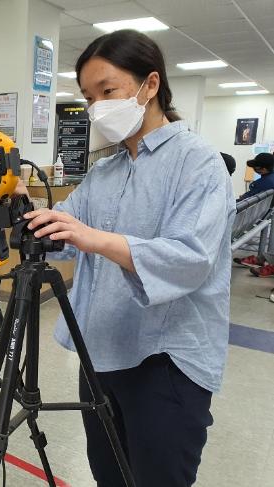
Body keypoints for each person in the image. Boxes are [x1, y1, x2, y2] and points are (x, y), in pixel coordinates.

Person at [17, 29, 235, 487]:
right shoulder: (106, 170)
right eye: (88, 96)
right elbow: (66, 227)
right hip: (100, 353)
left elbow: (190, 258)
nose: (96, 106)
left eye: (108, 91)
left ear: (150, 85)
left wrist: (94, 238)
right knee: (110, 476)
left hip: (165, 361)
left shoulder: (197, 163)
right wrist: (20, 208)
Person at [233, 152, 274, 277]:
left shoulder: (264, 183)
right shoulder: (270, 179)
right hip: (262, 216)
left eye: (256, 166)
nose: (254, 169)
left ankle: (265, 260)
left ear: (263, 169)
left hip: (246, 221)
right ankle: (264, 258)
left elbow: (243, 202)